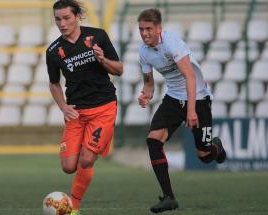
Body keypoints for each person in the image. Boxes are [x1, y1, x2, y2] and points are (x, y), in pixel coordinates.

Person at [137, 8, 226, 214]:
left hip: (198, 98)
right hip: (173, 99)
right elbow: (149, 83)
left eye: (148, 29)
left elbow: (190, 77)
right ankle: (169, 197)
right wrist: (146, 94)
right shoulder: (144, 51)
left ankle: (216, 148)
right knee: (153, 140)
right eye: (141, 29)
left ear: (159, 28)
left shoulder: (171, 43)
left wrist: (192, 111)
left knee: (204, 155)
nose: (144, 33)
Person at [46, 1, 123, 215]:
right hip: (76, 113)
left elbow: (119, 69)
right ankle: (90, 145)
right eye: (58, 19)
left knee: (87, 160)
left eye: (66, 18)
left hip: (103, 107)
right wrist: (63, 107)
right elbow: (54, 83)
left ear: (78, 16)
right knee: (68, 167)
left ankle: (73, 208)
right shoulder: (53, 51)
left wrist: (102, 59)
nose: (62, 23)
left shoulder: (98, 36)